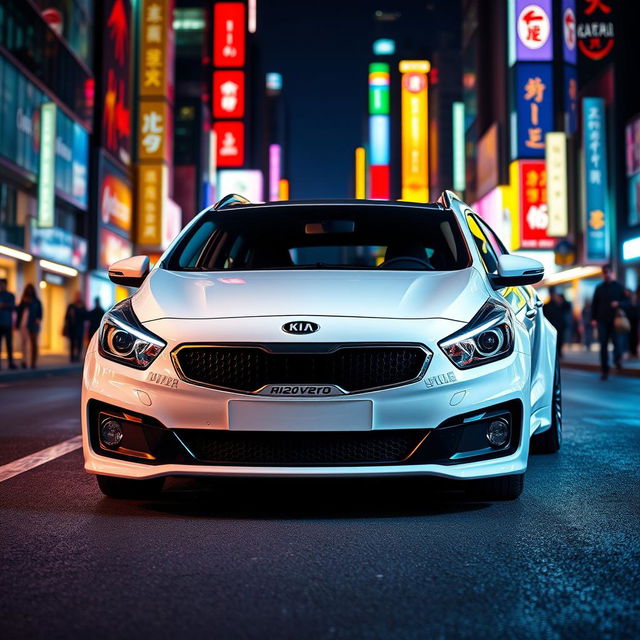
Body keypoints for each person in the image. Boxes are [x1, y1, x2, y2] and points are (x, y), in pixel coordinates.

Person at [591, 264, 627, 380]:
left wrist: (619, 304)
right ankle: (604, 370)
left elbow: (627, 302)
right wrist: (593, 319)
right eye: (605, 273)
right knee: (603, 345)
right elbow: (594, 304)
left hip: (615, 320)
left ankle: (617, 359)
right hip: (602, 320)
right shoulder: (599, 288)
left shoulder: (619, 287)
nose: (606, 274)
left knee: (617, 342)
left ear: (612, 273)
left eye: (608, 272)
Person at [16, 284, 42, 369]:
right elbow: (19, 312)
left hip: (33, 325)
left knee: (33, 343)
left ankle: (33, 362)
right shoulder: (23, 301)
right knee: (24, 344)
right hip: (23, 324)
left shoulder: (36, 302)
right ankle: (24, 361)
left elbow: (40, 314)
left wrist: (37, 321)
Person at [543, 288, 567, 359]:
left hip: (558, 325)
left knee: (559, 340)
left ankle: (558, 353)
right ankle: (557, 353)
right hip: (555, 325)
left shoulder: (559, 304)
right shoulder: (548, 305)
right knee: (556, 340)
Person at [64, 292, 87, 362]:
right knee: (72, 342)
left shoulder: (82, 305)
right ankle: (72, 357)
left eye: (78, 296)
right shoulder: (71, 305)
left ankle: (78, 356)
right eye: (76, 296)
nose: (77, 297)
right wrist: (66, 325)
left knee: (79, 342)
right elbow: (66, 316)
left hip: (80, 327)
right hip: (72, 327)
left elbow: (85, 316)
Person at [0, 278, 17, 370]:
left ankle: (11, 363)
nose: (1, 286)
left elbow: (14, 307)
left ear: (6, 285)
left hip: (7, 323)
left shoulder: (10, 295)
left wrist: (4, 305)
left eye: (2, 284)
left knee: (9, 344)